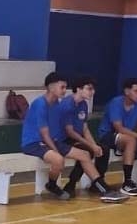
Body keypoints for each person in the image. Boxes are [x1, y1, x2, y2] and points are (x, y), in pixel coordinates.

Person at [58, 76, 125, 202]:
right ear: (79, 89)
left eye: (93, 89)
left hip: (76, 138)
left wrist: (94, 145)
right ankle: (73, 184)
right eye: (89, 89)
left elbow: (84, 128)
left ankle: (97, 183)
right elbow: (70, 132)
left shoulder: (83, 104)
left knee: (103, 149)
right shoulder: (67, 105)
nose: (92, 92)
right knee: (86, 151)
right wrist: (91, 146)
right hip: (63, 140)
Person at [20, 72, 71, 200]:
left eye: (66, 87)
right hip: (32, 143)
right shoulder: (40, 104)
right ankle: (52, 185)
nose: (64, 91)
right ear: (51, 87)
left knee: (82, 154)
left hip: (47, 141)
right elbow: (44, 133)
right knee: (58, 160)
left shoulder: (56, 104)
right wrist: (56, 151)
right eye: (62, 87)